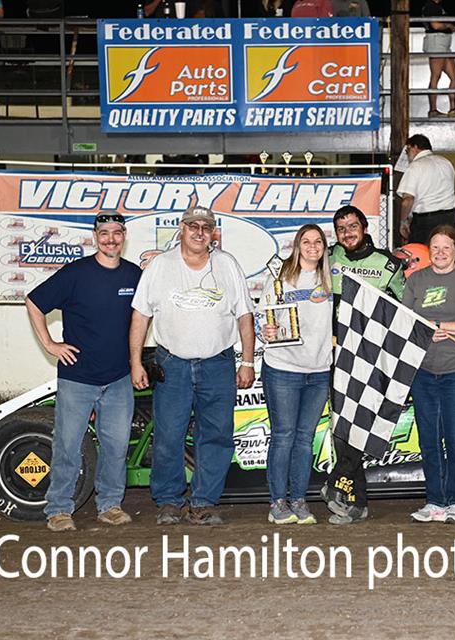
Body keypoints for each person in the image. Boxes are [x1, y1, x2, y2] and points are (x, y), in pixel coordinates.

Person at [129, 206, 256, 526]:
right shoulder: (161, 266)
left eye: (206, 227)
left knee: (217, 435)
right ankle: (169, 501)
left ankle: (203, 502)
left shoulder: (227, 265)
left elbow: (244, 315)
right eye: (193, 226)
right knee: (168, 434)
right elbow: (140, 316)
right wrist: (135, 362)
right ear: (181, 229)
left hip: (218, 364)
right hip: (172, 364)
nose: (200, 232)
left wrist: (248, 360)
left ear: (213, 232)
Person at [25, 212, 143, 532]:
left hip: (118, 378)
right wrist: (50, 344)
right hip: (77, 378)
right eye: (104, 233)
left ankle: (110, 505)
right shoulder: (75, 273)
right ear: (95, 237)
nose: (110, 239)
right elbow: (34, 302)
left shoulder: (134, 275)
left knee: (116, 447)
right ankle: (59, 509)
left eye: (116, 233)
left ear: (124, 236)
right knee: (68, 446)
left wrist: (135, 363)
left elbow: (143, 317)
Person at [322, 204, 406, 524]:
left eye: (353, 226)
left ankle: (340, 487)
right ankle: (355, 502)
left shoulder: (387, 264)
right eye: (341, 229)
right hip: (335, 358)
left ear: (365, 228)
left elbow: (405, 312)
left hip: (372, 360)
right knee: (342, 430)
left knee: (358, 428)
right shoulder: (329, 258)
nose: (347, 233)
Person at [403, 225, 455, 524]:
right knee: (428, 440)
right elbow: (405, 323)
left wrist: (440, 326)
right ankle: (435, 502)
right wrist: (425, 332)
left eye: (446, 247)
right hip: (423, 372)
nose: (440, 253)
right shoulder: (416, 280)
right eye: (435, 247)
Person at [258, 224, 333, 525]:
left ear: (324, 247)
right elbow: (264, 316)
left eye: (318, 242)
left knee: (304, 438)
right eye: (306, 241)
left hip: (319, 371)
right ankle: (278, 502)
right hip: (283, 368)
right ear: (297, 245)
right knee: (284, 436)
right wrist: (266, 330)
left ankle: (299, 500)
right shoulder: (280, 277)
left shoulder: (331, 279)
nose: (312, 247)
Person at [398, 134, 455, 245]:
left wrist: (403, 221)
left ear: (415, 147)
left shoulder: (415, 166)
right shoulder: (446, 162)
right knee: (446, 250)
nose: (407, 155)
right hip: (450, 218)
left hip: (426, 222)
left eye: (407, 150)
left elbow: (408, 200)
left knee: (422, 253)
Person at [423, 0, 455, 119]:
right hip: (437, 41)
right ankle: (433, 110)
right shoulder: (430, 6)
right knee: (436, 75)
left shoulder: (438, 6)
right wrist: (448, 26)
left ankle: (452, 109)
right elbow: (435, 25)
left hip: (444, 42)